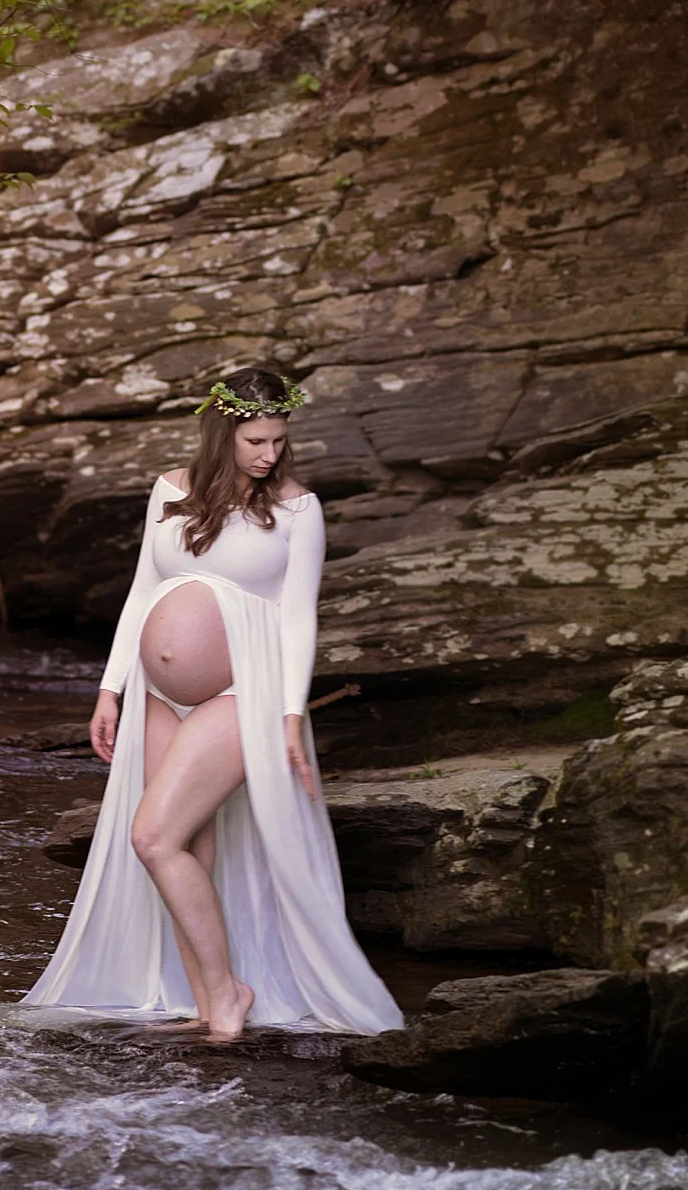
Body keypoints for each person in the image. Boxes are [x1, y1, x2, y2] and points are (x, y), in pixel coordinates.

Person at [20, 368, 405, 1041]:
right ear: (222, 433)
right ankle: (206, 1003)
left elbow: (298, 617)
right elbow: (143, 591)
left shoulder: (297, 508)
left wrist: (290, 713)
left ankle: (230, 991)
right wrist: (110, 688)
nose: (270, 454)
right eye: (256, 441)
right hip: (156, 696)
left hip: (241, 690)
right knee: (190, 846)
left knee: (153, 837)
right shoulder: (171, 490)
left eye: (279, 440)